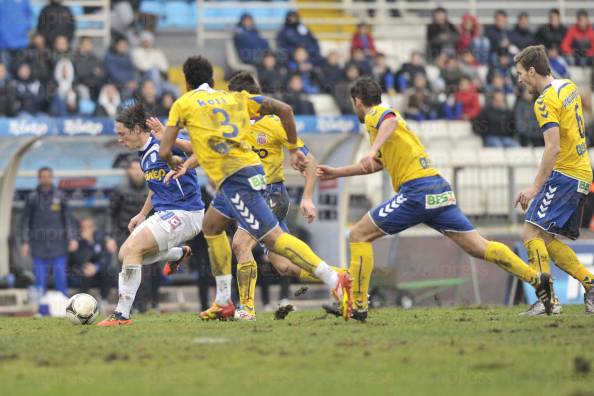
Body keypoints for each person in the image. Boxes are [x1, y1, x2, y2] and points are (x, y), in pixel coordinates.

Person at [315, 77, 554, 320]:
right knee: (478, 247)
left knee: (358, 234)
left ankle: (357, 304)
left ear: (357, 101)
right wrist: (336, 172)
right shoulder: (382, 130)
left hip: (417, 191)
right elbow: (374, 164)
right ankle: (536, 279)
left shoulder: (377, 114)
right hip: (438, 189)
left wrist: (369, 148)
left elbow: (390, 122)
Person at [159, 56, 351, 321]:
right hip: (239, 183)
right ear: (214, 82)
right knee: (219, 230)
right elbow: (214, 147)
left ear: (187, 83)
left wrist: (300, 169)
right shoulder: (233, 104)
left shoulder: (196, 104)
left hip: (260, 187)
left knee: (246, 243)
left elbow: (166, 150)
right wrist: (187, 165)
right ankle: (224, 300)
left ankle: (329, 279)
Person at [224, 72, 339, 320]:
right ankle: (343, 277)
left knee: (240, 244)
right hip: (250, 196)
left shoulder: (274, 123)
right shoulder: (233, 128)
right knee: (285, 266)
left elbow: (311, 162)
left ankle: (246, 308)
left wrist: (307, 198)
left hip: (271, 195)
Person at [97, 103, 205, 326]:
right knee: (125, 253)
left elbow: (201, 150)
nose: (119, 139)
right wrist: (142, 214)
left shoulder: (163, 141)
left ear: (137, 129)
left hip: (187, 212)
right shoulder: (144, 154)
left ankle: (122, 314)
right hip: (166, 211)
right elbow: (155, 186)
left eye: (121, 133)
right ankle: (177, 254)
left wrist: (169, 136)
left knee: (134, 250)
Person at [514, 45, 594, 315]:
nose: (519, 79)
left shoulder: (544, 101)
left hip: (566, 175)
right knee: (544, 239)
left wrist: (535, 187)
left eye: (521, 73)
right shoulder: (568, 86)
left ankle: (547, 301)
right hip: (582, 172)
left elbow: (553, 147)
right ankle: (590, 284)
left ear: (533, 71)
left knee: (530, 232)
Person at [21, 167, 78, 298]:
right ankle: (42, 310)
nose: (46, 178)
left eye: (48, 176)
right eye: (43, 176)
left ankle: (64, 307)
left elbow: (68, 219)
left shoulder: (60, 196)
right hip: (38, 245)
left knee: (61, 278)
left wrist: (73, 238)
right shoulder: (32, 198)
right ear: (39, 178)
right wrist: (24, 242)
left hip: (58, 245)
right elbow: (25, 221)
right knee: (40, 280)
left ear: (51, 178)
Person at [68, 218, 115, 310]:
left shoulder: (101, 240)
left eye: (89, 227)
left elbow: (105, 258)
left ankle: (103, 300)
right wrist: (85, 241)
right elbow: (79, 260)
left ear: (94, 228)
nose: (87, 229)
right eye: (84, 227)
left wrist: (96, 267)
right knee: (84, 272)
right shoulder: (78, 242)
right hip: (82, 271)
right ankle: (83, 304)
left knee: (109, 271)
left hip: (98, 271)